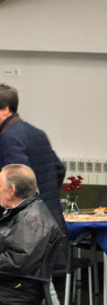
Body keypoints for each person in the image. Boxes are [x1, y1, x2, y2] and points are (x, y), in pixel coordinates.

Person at [0, 164, 74, 305]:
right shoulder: (27, 210)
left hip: (18, 290)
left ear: (11, 190)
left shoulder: (31, 218)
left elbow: (17, 262)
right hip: (22, 285)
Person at [0, 84, 66, 233]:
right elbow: (59, 169)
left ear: (5, 110)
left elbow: (16, 185)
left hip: (28, 228)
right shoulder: (36, 132)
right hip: (52, 219)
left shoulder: (8, 138)